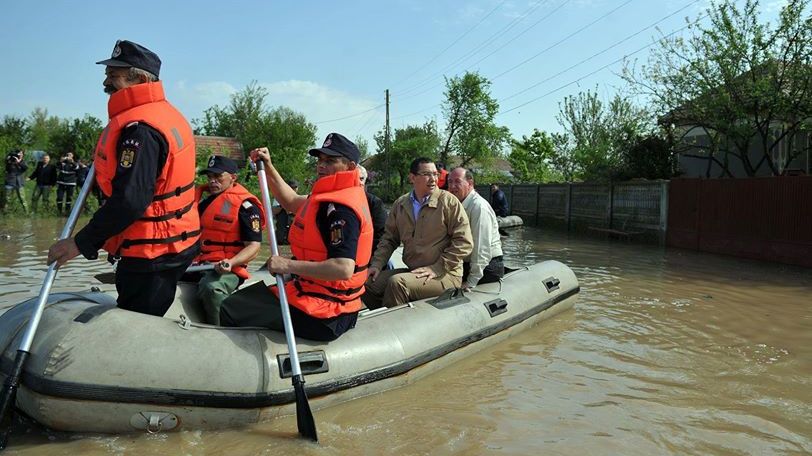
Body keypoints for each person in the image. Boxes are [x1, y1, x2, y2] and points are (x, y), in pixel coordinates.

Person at [47, 39, 200, 317]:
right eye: (107, 73)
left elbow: (130, 201)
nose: (106, 82)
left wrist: (78, 244)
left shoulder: (141, 130)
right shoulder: (162, 113)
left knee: (139, 323)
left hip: (155, 251)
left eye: (113, 75)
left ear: (139, 79)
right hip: (171, 242)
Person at [220, 133, 373, 341]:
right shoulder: (329, 197)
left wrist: (287, 266)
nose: (321, 165)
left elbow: (343, 268)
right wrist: (269, 166)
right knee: (250, 299)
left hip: (328, 313)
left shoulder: (340, 209)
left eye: (330, 161)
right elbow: (290, 201)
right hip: (316, 295)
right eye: (320, 160)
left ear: (350, 166)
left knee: (231, 306)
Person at [363, 157, 472, 309]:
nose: (433, 179)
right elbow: (389, 239)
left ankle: (397, 325)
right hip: (414, 271)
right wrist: (376, 264)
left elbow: (464, 242)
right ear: (412, 177)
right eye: (427, 174)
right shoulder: (400, 204)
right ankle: (390, 316)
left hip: (446, 274)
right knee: (366, 283)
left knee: (397, 283)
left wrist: (437, 267)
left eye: (436, 174)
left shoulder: (449, 202)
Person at [193, 155, 264, 325]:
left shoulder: (246, 207)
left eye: (218, 176)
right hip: (200, 262)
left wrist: (231, 262)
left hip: (228, 267)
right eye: (209, 177)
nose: (212, 181)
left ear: (233, 177)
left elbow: (254, 246)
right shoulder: (204, 204)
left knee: (212, 289)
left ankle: (220, 329)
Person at [447, 167, 505, 290]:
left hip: (488, 267)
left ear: (470, 183)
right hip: (466, 263)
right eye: (450, 182)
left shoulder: (479, 207)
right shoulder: (456, 205)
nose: (452, 186)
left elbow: (481, 248)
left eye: (457, 182)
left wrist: (471, 281)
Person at [357, 164, 387, 257]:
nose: (359, 182)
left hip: (370, 254)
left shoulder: (374, 203)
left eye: (361, 179)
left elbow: (382, 234)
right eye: (354, 178)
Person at [272, 179, 297, 245]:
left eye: (295, 187)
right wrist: (283, 205)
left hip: (292, 222)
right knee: (280, 240)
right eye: (291, 187)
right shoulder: (279, 197)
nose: (293, 189)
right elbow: (274, 211)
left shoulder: (299, 198)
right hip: (282, 222)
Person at [2, 148, 29, 213]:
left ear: (23, 155)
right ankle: (7, 213)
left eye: (21, 153)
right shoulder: (10, 161)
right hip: (10, 182)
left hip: (19, 183)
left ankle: (27, 213)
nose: (20, 155)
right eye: (19, 153)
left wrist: (19, 162)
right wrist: (8, 160)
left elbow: (25, 168)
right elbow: (7, 169)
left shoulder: (23, 161)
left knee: (22, 198)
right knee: (8, 199)